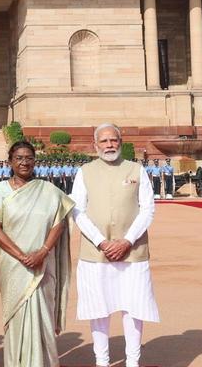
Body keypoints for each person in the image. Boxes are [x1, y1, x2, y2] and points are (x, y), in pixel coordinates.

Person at [71, 124, 160, 367]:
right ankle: (102, 361)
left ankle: (133, 361)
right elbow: (77, 210)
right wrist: (102, 242)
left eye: (113, 140)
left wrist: (127, 241)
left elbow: (147, 209)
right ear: (95, 145)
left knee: (133, 307)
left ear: (121, 142)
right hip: (96, 252)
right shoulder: (84, 172)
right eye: (104, 141)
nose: (109, 145)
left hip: (132, 251)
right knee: (99, 308)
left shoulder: (136, 170)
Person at [0, 140, 73, 367]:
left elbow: (59, 224)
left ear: (35, 161)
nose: (24, 162)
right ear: (10, 162)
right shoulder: (1, 190)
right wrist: (21, 255)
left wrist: (42, 252)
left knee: (43, 313)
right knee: (15, 317)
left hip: (43, 264)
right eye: (19, 158)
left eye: (29, 158)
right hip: (13, 266)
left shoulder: (49, 191)